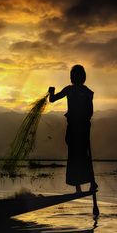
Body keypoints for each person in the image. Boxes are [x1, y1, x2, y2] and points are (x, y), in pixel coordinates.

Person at [48, 64, 98, 193]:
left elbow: (52, 99)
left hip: (75, 128)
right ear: (83, 78)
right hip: (83, 128)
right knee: (83, 155)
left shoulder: (70, 90)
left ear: (72, 78)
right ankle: (91, 183)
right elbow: (90, 112)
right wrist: (84, 120)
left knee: (74, 155)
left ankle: (79, 188)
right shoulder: (87, 92)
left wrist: (51, 92)